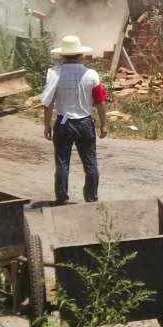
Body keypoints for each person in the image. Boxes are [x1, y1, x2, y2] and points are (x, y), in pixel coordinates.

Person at [40, 34, 108, 204]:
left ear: (62, 55)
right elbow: (100, 102)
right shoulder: (91, 75)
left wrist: (47, 125)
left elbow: (48, 103)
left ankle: (61, 198)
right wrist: (103, 125)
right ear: (81, 55)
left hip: (63, 124)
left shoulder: (54, 73)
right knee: (90, 163)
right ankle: (91, 198)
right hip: (85, 123)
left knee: (62, 163)